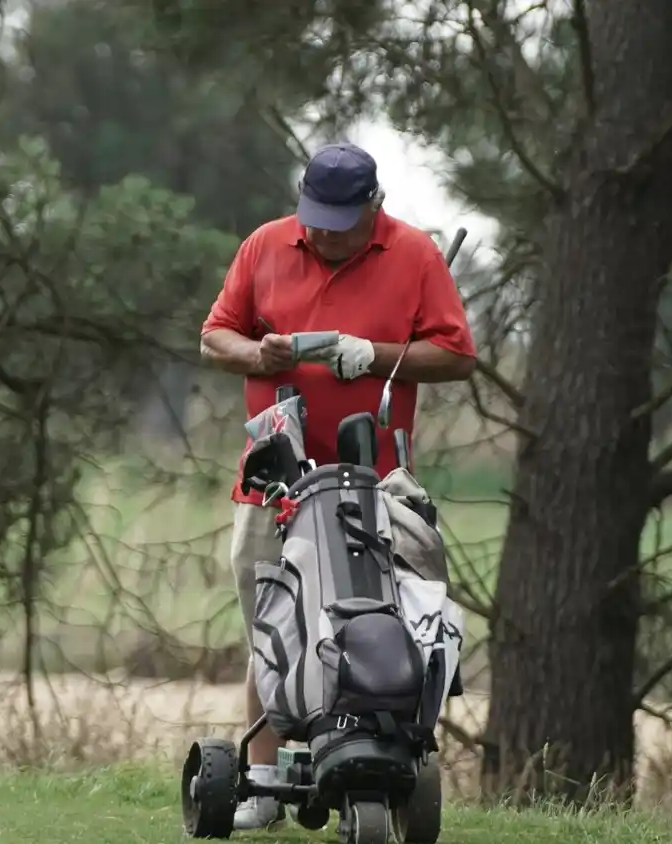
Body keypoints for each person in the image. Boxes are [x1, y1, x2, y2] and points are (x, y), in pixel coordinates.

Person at [198, 142, 476, 830]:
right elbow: (213, 337)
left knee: (381, 622)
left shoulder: (413, 255)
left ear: (373, 207)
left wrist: (373, 356)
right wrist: (256, 351)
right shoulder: (266, 244)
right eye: (315, 217)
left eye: (339, 222)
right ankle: (262, 786)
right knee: (273, 624)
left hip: (377, 484)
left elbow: (456, 354)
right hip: (274, 476)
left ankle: (377, 759)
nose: (322, 233)